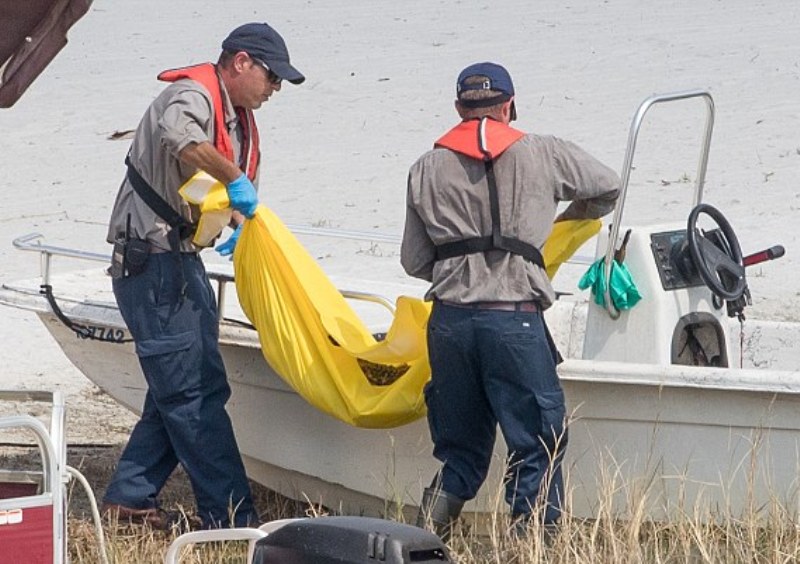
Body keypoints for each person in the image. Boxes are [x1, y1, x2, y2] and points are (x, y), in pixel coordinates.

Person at [401, 62, 620, 538]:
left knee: (459, 454)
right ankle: (532, 546)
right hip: (514, 323)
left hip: (450, 324)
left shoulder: (424, 168)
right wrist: (560, 223)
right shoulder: (543, 153)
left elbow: (414, 261)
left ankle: (421, 545)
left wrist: (460, 265)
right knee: (538, 441)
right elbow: (608, 186)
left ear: (459, 108)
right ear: (510, 105)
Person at [101, 22, 304, 530]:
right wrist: (234, 179)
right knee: (191, 395)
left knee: (192, 385)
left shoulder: (239, 121)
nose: (275, 88)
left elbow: (230, 202)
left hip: (181, 261)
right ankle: (230, 519)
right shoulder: (189, 95)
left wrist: (245, 231)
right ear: (240, 63)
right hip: (149, 264)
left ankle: (130, 497)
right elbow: (180, 140)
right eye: (271, 76)